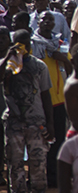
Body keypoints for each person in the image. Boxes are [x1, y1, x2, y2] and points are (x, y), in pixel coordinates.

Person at [2, 29, 53, 193]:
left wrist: (50, 123)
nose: (24, 47)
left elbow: (46, 95)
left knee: (38, 166)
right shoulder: (7, 66)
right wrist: (9, 56)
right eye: (20, 44)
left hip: (36, 123)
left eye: (26, 43)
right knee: (15, 166)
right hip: (13, 123)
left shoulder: (39, 66)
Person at [30, 11, 71, 187]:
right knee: (38, 141)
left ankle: (54, 178)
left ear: (55, 23)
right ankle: (37, 178)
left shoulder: (61, 44)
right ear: (37, 22)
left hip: (59, 99)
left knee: (58, 140)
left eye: (50, 20)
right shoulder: (31, 44)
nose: (47, 22)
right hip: (37, 101)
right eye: (43, 19)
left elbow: (71, 69)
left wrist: (63, 59)